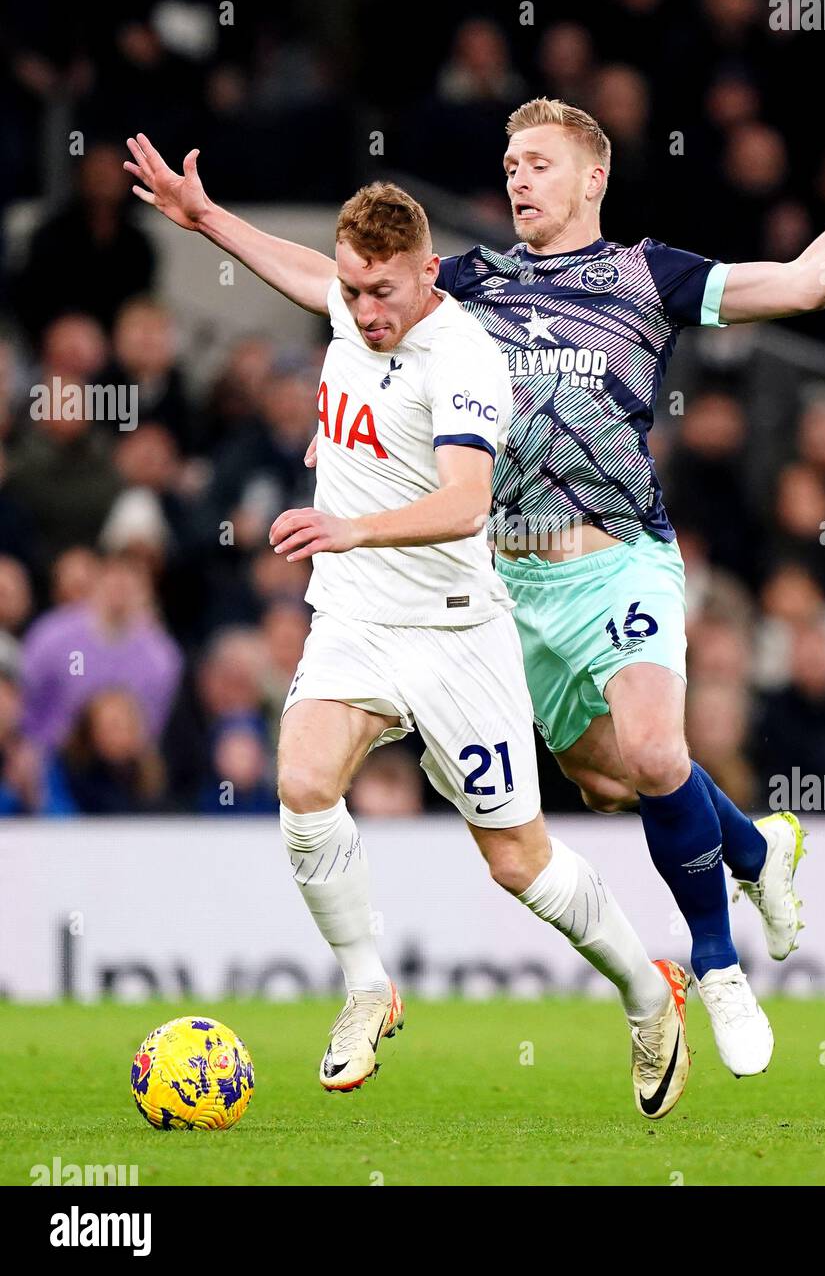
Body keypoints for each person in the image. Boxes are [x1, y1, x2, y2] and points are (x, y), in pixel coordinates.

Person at [124, 148, 694, 1114]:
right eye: (352, 289)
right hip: (354, 616)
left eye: (382, 292)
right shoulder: (352, 302)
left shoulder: (465, 357)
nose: (364, 310)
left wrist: (351, 525)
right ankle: (365, 984)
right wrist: (207, 215)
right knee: (303, 781)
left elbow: (468, 502)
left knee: (517, 860)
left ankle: (647, 994)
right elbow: (303, 273)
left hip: (456, 630)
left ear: (429, 274)